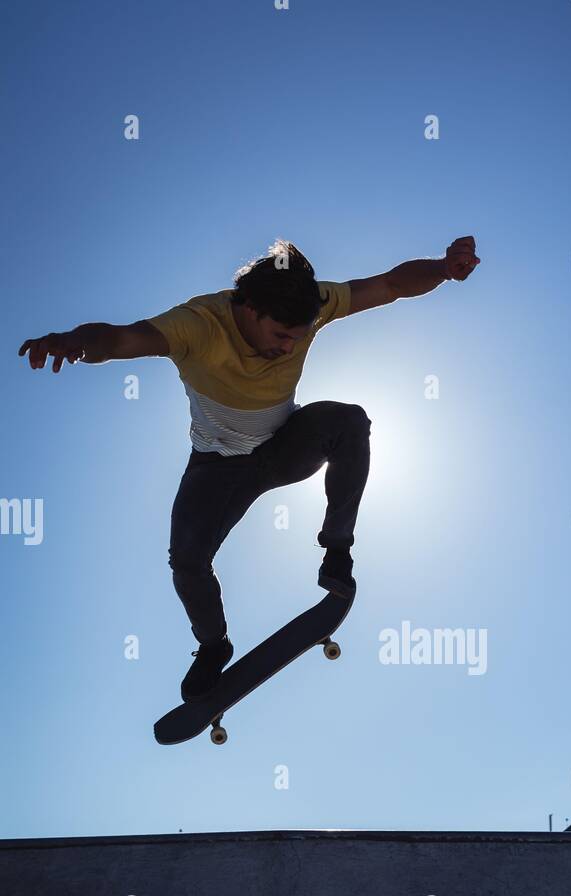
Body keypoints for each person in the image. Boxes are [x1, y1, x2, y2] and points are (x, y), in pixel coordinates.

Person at [19, 235, 480, 698]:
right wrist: (75, 341)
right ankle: (214, 647)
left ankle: (337, 550)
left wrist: (443, 267)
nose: (287, 349)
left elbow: (389, 285)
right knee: (187, 562)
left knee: (349, 421)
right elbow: (124, 337)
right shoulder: (198, 324)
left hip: (283, 447)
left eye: (298, 339)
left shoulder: (314, 302)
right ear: (250, 309)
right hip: (216, 467)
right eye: (281, 336)